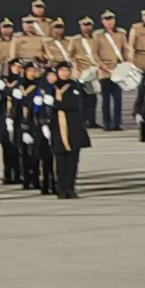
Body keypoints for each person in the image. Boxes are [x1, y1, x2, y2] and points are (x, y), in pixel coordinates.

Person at [44, 66, 87, 200]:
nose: (64, 73)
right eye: (61, 70)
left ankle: (70, 187)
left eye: (67, 70)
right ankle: (61, 189)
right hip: (57, 127)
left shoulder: (75, 86)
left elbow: (73, 105)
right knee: (60, 160)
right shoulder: (52, 88)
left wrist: (55, 103)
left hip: (73, 126)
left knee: (72, 160)